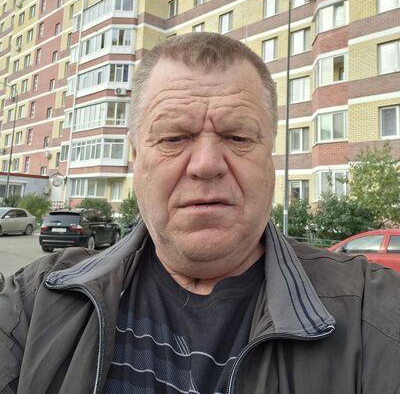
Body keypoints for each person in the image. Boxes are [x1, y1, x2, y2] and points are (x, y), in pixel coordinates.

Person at [0, 32, 399, 394]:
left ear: (270, 156)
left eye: (237, 137)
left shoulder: (374, 314)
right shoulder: (35, 303)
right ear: (135, 157)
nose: (206, 164)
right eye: (174, 137)